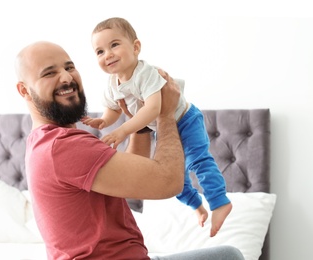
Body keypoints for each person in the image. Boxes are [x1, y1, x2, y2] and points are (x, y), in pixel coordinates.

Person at [15, 41, 244, 260]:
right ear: (24, 91)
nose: (66, 78)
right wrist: (165, 114)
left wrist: (140, 120)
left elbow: (133, 178)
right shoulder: (64, 147)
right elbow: (168, 181)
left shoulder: (47, 143)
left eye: (69, 67)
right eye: (49, 73)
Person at [81, 17, 232, 237]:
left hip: (185, 119)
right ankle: (197, 207)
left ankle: (219, 202)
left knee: (198, 160)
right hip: (162, 131)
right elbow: (114, 109)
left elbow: (153, 109)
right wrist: (104, 121)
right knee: (173, 178)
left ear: (135, 47)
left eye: (114, 45)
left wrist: (123, 131)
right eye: (100, 51)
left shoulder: (146, 73)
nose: (108, 54)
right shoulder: (112, 85)